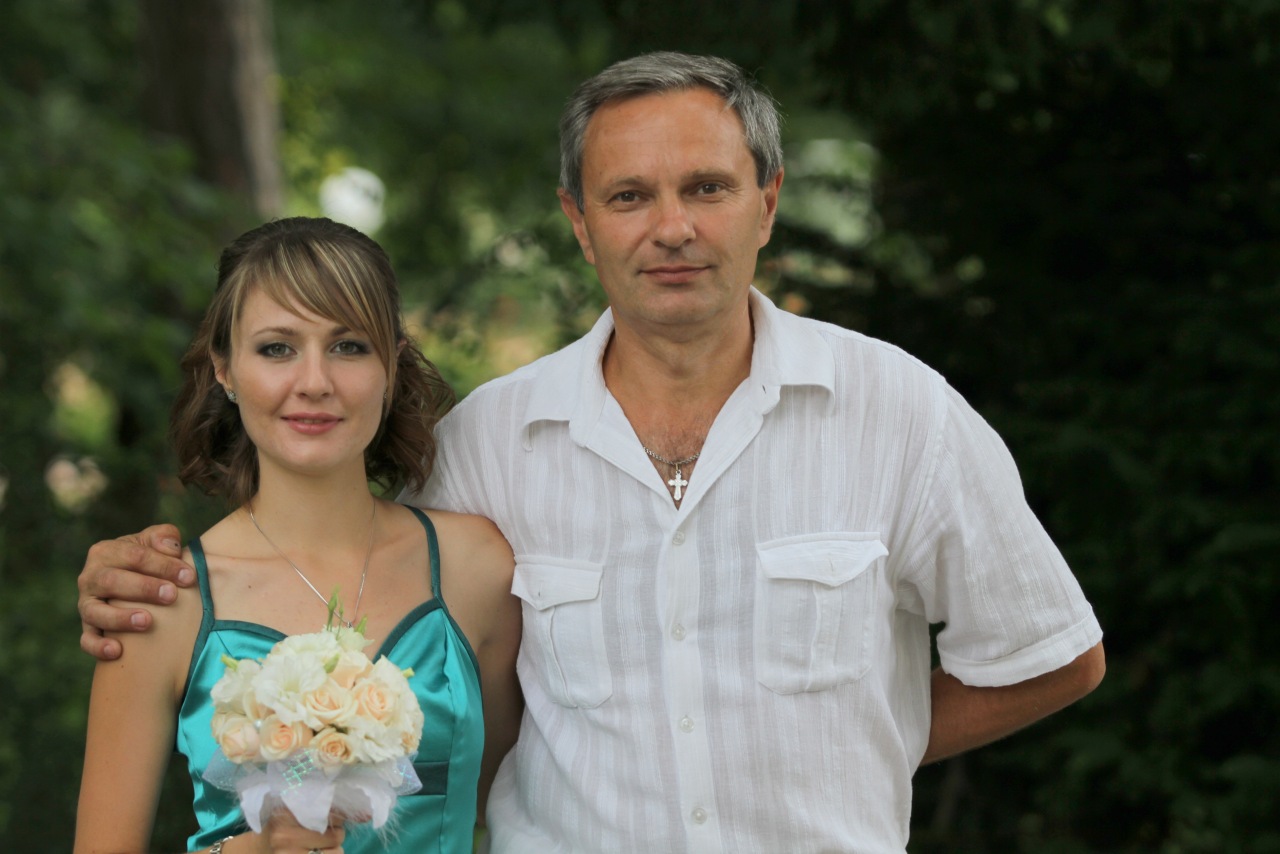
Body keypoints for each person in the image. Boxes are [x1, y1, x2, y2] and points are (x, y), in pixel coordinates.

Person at [78, 54, 1105, 852]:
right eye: (628, 196)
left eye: (706, 187)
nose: (672, 227)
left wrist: (859, 747)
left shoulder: (900, 411)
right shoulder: (487, 446)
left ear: (767, 202)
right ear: (579, 223)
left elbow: (1050, 654)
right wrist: (135, 576)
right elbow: (338, 568)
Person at [74, 217, 522, 854]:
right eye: (277, 348)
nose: (314, 382)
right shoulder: (162, 602)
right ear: (225, 369)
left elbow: (506, 802)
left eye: (349, 346)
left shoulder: (476, 568)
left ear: (392, 366)